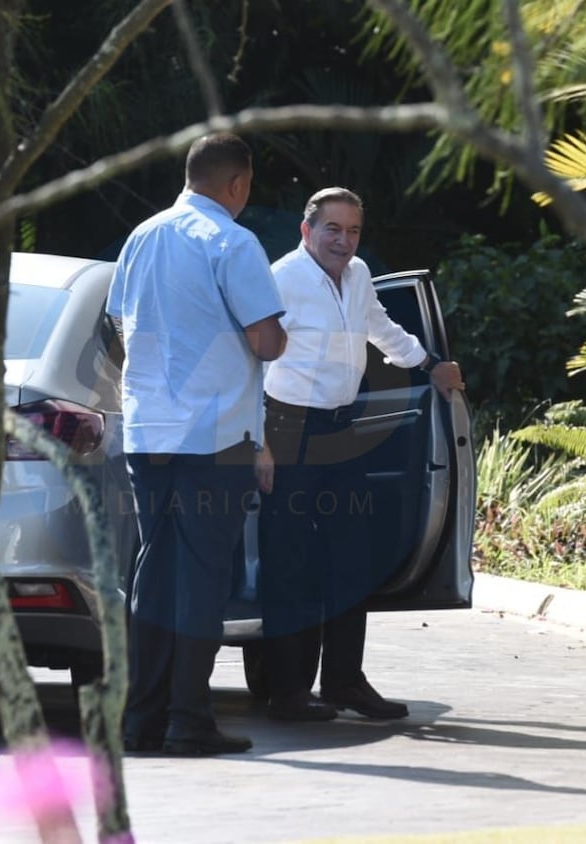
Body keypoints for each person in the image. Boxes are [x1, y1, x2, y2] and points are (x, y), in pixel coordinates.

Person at [106, 133, 287, 755]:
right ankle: (189, 721)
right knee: (203, 579)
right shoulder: (234, 243)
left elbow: (116, 330)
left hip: (147, 431)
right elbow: (266, 341)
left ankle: (139, 721)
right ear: (237, 184)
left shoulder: (142, 236)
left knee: (152, 575)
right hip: (215, 439)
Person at [256, 187, 464, 722]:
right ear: (307, 230)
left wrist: (428, 364)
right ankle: (287, 691)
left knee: (353, 557)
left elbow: (379, 328)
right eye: (333, 229)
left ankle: (345, 681)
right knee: (293, 564)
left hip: (341, 429)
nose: (343, 242)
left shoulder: (359, 275)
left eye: (352, 231)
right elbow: (249, 363)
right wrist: (256, 442)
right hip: (286, 428)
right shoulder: (280, 279)